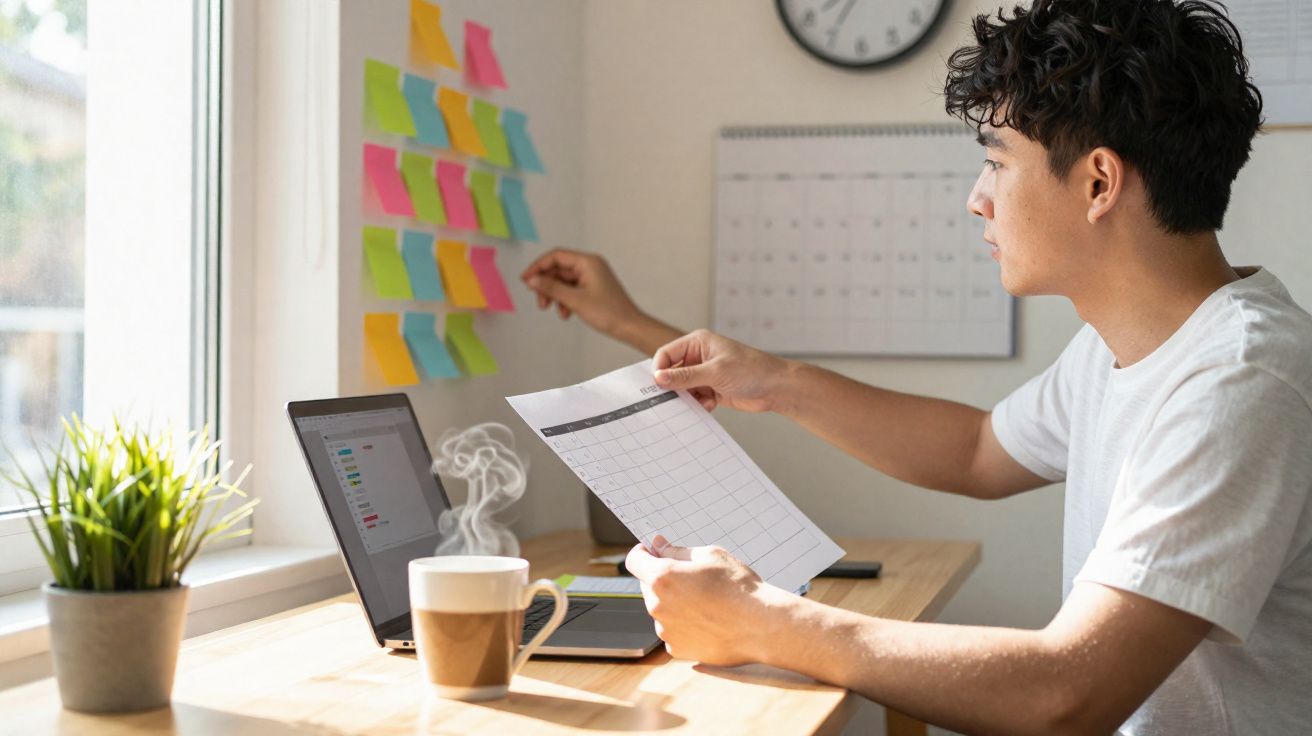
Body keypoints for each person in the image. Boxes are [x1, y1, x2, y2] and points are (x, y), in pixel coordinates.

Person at [522, 1, 1312, 733]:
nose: (977, 198)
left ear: (1098, 182)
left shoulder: (1240, 381)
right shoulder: (1131, 346)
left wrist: (766, 622)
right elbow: (974, 449)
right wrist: (775, 380)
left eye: (997, 162)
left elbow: (1069, 696)